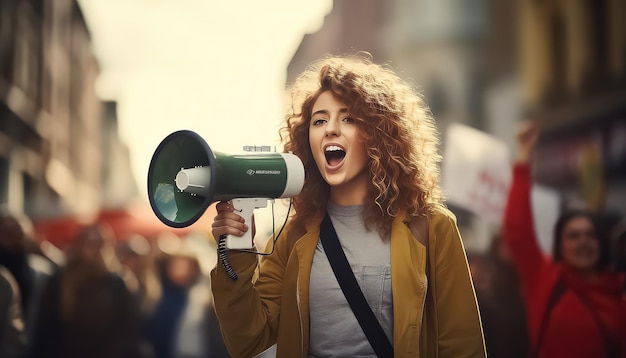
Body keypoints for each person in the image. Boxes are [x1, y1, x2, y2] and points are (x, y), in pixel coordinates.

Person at [210, 54, 486, 357]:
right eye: (319, 121)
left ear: (379, 135)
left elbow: (462, 345)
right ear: (308, 139)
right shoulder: (293, 236)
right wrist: (235, 251)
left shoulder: (432, 227)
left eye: (348, 118)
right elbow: (249, 339)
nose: (330, 129)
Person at [503, 120, 626, 358]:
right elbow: (517, 229)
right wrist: (523, 156)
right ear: (560, 244)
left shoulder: (618, 292)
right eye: (573, 236)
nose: (583, 242)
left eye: (590, 235)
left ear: (601, 243)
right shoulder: (545, 276)